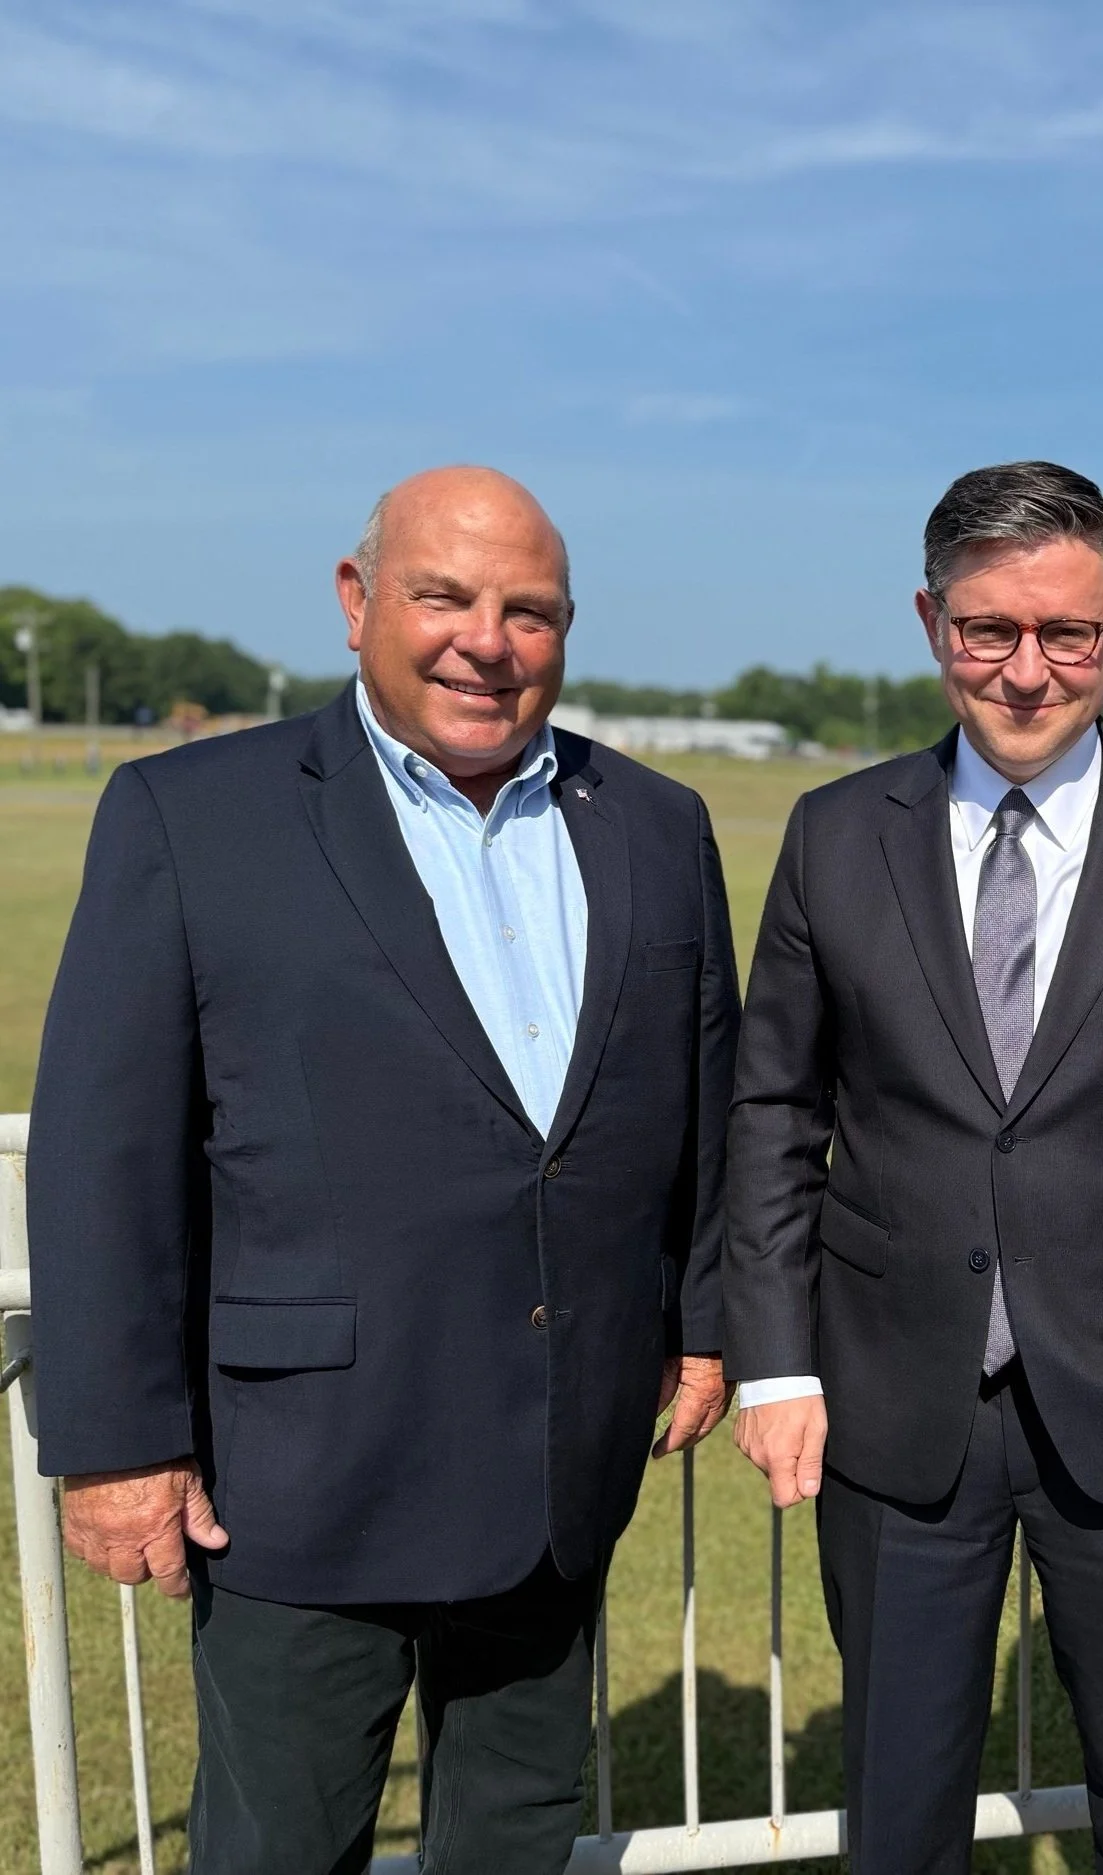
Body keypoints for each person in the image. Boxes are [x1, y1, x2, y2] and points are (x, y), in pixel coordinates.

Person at [29, 466, 740, 1875]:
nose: (489, 641)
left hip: (558, 1464)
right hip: (302, 1475)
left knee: (516, 1836)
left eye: (530, 611)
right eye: (445, 596)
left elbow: (702, 1102)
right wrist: (115, 1443)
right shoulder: (192, 812)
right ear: (357, 602)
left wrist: (704, 1323)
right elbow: (105, 1149)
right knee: (283, 1847)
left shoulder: (657, 825)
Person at [724, 460, 1103, 1873]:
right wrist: (775, 1363)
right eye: (987, 628)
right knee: (898, 1805)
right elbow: (773, 1114)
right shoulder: (834, 834)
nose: (1025, 668)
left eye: (1065, 631)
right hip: (894, 1400)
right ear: (930, 620)